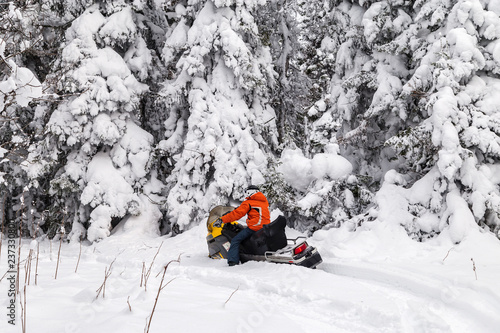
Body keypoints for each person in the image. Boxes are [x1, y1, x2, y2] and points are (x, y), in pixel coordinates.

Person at [213, 185, 270, 266]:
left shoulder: (249, 202)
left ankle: (233, 261)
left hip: (255, 227)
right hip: (265, 227)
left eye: (247, 192)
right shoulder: (264, 202)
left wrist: (222, 220)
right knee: (243, 229)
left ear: (251, 192)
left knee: (235, 240)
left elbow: (237, 214)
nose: (246, 194)